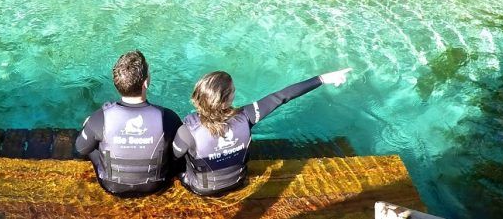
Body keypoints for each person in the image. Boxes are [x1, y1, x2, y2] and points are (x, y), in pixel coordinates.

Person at [172, 68, 352, 195]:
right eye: (233, 90)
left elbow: (173, 156)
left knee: (179, 156)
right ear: (228, 98)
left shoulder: (188, 128)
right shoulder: (247, 116)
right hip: (237, 181)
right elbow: (282, 96)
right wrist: (321, 79)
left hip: (201, 189)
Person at [74, 50, 182, 196]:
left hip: (111, 185)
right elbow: (178, 153)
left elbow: (81, 149)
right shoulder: (167, 117)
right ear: (145, 83)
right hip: (155, 185)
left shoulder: (100, 117)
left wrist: (89, 124)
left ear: (116, 83)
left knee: (93, 138)